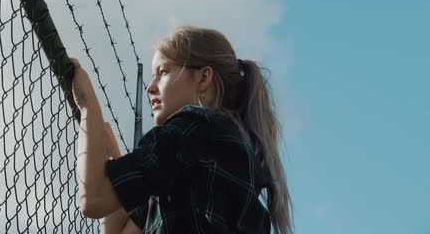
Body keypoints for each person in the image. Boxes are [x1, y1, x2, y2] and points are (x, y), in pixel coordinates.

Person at [70, 26, 292, 234]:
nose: (150, 87)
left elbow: (93, 200)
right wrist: (114, 156)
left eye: (163, 72)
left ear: (203, 78)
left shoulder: (193, 128)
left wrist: (88, 105)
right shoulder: (212, 156)